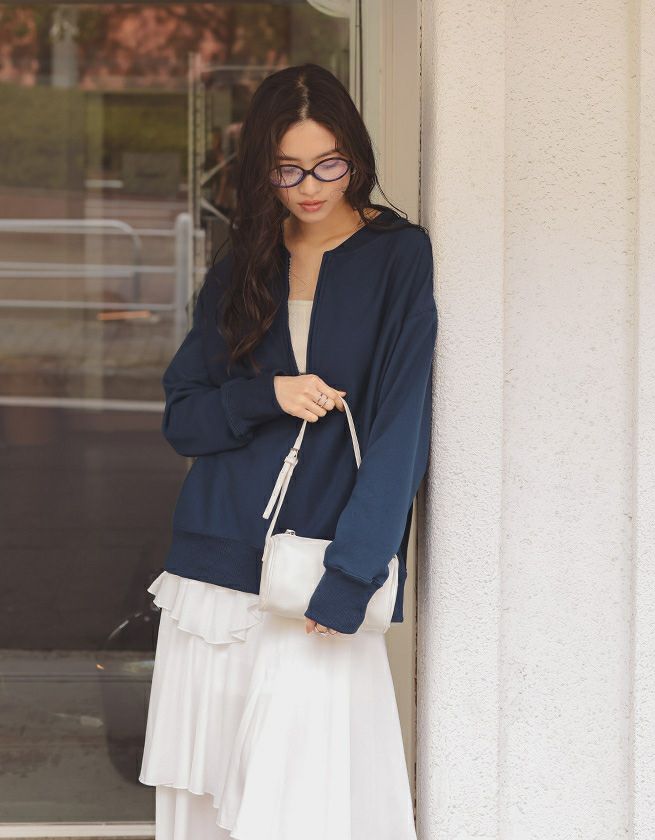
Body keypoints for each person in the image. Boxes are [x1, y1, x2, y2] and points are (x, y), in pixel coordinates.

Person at [139, 62, 437, 840]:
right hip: (214, 576)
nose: (310, 187)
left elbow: (402, 427)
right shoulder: (245, 264)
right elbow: (184, 418)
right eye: (288, 169)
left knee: (308, 811)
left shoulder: (398, 256)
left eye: (328, 165)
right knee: (208, 809)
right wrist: (266, 393)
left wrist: (354, 575)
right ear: (262, 170)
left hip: (318, 577)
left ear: (356, 157)